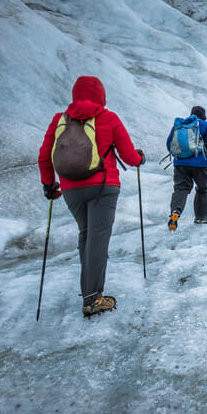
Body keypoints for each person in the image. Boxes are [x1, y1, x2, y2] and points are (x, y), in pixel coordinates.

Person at [38, 75, 145, 318]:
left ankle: (89, 291)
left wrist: (48, 185)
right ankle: (93, 299)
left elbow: (44, 156)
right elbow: (129, 156)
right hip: (103, 187)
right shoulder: (108, 118)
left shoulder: (59, 120)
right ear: (101, 96)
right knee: (98, 239)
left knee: (86, 235)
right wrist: (140, 159)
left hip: (71, 189)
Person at [166, 105, 207, 230]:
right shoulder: (206, 126)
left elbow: (169, 144)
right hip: (199, 164)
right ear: (203, 116)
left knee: (181, 189)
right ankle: (201, 217)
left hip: (180, 163)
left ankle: (175, 212)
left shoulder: (179, 125)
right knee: (202, 189)